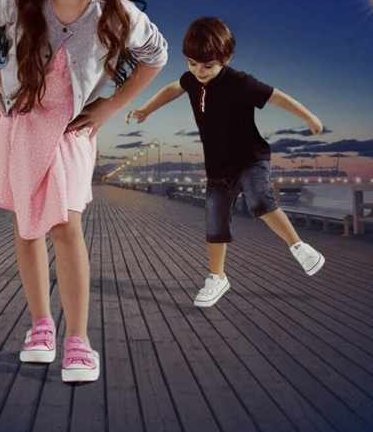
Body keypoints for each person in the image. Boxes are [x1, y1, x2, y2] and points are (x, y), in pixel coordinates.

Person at [0, 0, 168, 383]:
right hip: (20, 125)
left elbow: (156, 55)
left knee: (65, 227)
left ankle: (80, 339)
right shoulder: (17, 2)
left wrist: (112, 105)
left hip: (70, 132)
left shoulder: (115, 12)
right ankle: (41, 326)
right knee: (28, 226)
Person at [125, 16, 326, 308]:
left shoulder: (239, 82)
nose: (199, 72)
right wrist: (145, 110)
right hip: (217, 167)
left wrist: (309, 117)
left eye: (207, 66)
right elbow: (172, 89)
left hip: (250, 158)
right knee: (215, 223)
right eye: (192, 64)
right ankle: (217, 277)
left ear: (225, 58)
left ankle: (299, 247)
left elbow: (276, 97)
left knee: (259, 200)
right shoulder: (191, 79)